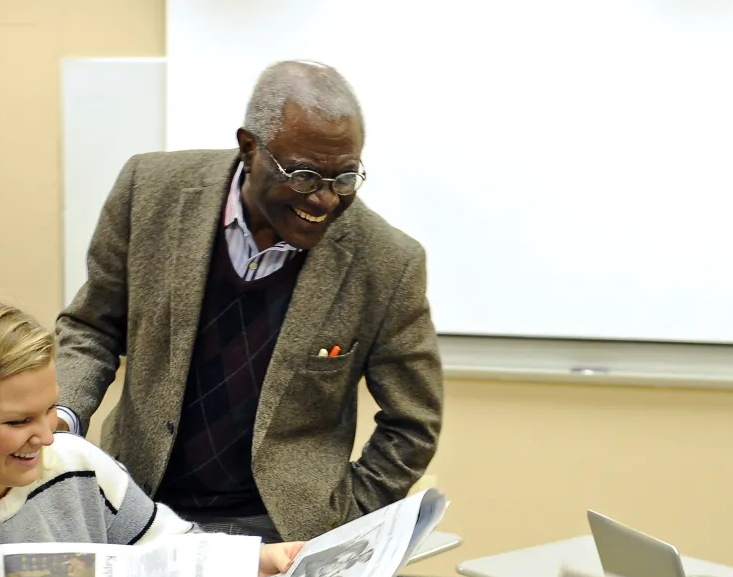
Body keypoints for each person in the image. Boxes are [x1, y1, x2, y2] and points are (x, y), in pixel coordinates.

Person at [54, 59, 443, 548]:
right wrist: (63, 418)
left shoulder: (385, 262)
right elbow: (92, 327)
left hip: (277, 533)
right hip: (138, 508)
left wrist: (344, 519)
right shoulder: (150, 190)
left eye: (344, 177)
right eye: (303, 175)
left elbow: (413, 422)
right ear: (249, 148)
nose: (323, 200)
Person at [0, 294, 301, 577]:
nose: (46, 436)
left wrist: (259, 560)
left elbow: (173, 549)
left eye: (49, 411)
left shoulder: (78, 466)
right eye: (19, 422)